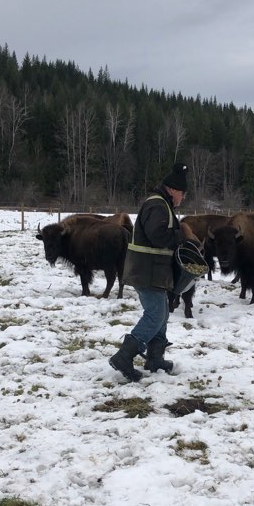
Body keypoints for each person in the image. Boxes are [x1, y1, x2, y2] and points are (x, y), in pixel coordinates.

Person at [109, 162, 188, 382]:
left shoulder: (161, 205)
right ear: (173, 190)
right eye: (182, 193)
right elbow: (157, 235)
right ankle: (124, 356)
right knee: (155, 315)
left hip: (153, 271)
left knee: (161, 312)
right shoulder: (158, 206)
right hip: (147, 271)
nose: (182, 198)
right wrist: (180, 237)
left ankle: (155, 358)